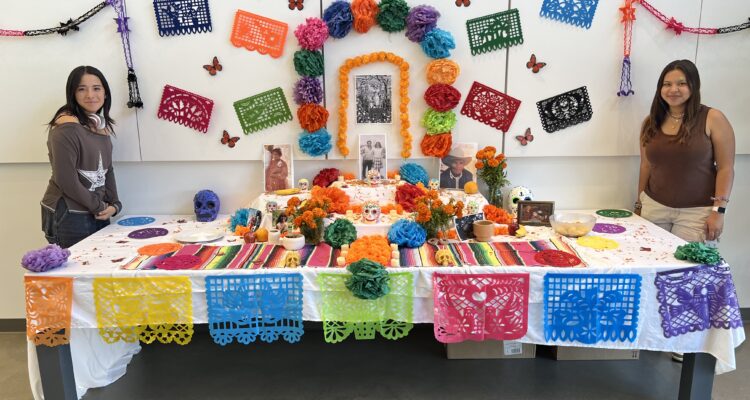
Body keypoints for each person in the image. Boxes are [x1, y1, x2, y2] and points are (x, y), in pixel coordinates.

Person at [635, 60, 735, 362]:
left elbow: (726, 167)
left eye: (681, 83)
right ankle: (652, 333)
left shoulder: (712, 118)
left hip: (697, 212)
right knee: (649, 269)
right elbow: (646, 165)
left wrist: (719, 210)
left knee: (688, 276)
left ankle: (686, 342)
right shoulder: (651, 121)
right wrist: (639, 202)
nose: (673, 89)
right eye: (667, 84)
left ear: (693, 86)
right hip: (654, 206)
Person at [40, 66, 122, 248]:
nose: (90, 95)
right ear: (73, 94)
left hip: (97, 210)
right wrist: (99, 206)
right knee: (77, 266)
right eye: (81, 89)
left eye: (96, 88)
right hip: (70, 214)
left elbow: (107, 170)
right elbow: (66, 180)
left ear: (105, 93)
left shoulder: (99, 127)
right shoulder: (66, 129)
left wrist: (115, 204)